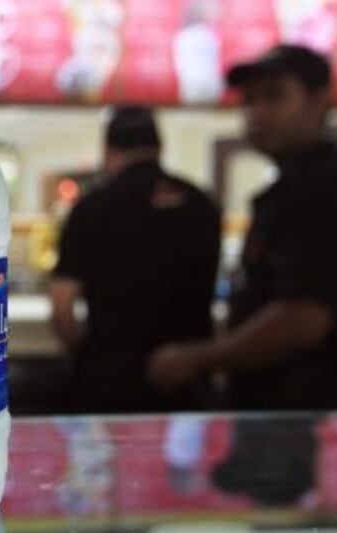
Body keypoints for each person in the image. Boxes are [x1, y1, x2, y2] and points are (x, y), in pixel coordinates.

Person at [148, 45, 337, 410]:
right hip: (280, 412)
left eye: (274, 97)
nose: (257, 113)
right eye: (249, 101)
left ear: (320, 100)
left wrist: (198, 357)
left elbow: (302, 320)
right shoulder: (292, 188)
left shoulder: (326, 189)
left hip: (310, 420)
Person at [49, 106, 221, 413]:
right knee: (187, 461)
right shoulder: (201, 202)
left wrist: (88, 358)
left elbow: (62, 309)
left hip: (110, 379)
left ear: (108, 150)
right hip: (187, 375)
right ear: (159, 147)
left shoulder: (91, 208)